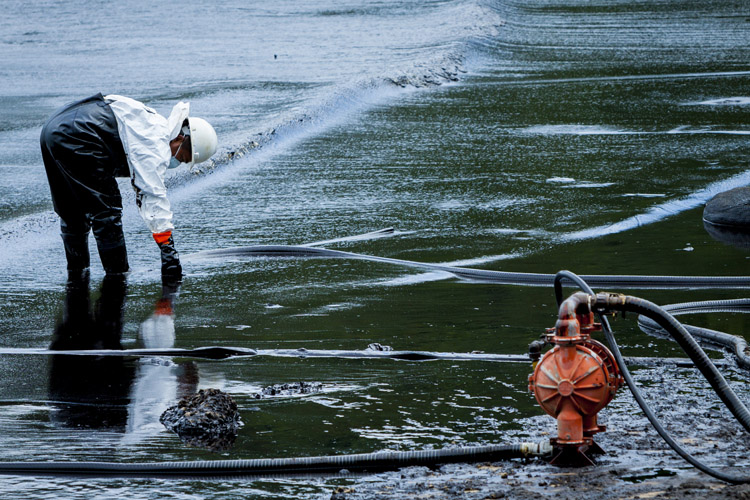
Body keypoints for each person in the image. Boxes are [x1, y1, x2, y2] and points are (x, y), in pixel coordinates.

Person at [40, 93, 218, 282]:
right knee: (107, 212)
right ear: (180, 138)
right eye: (182, 158)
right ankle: (117, 279)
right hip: (80, 134)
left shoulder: (152, 122)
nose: (177, 163)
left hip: (54, 128)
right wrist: (168, 251)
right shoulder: (156, 145)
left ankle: (76, 275)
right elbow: (153, 196)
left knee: (72, 211)